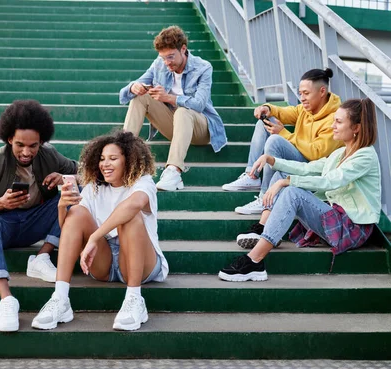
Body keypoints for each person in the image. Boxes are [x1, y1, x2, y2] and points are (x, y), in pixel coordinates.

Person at [219, 98, 381, 282]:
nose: (333, 126)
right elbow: (307, 168)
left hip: (351, 227)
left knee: (291, 191)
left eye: (338, 121)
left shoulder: (366, 156)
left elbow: (330, 181)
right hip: (335, 217)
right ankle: (262, 237)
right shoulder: (340, 153)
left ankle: (254, 261)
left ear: (356, 128)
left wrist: (286, 182)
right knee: (283, 177)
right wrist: (273, 160)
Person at [32, 130, 169, 331]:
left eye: (113, 158)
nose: (105, 164)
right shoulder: (94, 186)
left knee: (129, 217)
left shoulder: (143, 181)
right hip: (103, 262)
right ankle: (60, 299)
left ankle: (134, 300)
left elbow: (133, 205)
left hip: (141, 262)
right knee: (76, 212)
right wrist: (62, 208)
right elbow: (70, 230)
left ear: (129, 160)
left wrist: (95, 237)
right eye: (102, 159)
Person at [0, 100, 77, 332]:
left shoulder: (49, 155)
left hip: (35, 222)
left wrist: (63, 177)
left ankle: (42, 258)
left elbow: (81, 170)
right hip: (4, 227)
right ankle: (6, 299)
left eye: (33, 146)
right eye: (20, 145)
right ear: (8, 139)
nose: (26, 152)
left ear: (41, 142)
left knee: (73, 192)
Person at [119, 25, 227, 192]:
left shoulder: (203, 67)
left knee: (183, 110)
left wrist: (169, 98)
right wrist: (134, 87)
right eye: (163, 58)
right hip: (174, 126)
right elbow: (128, 90)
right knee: (141, 97)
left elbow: (199, 104)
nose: (167, 63)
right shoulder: (159, 64)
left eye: (170, 57)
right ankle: (122, 156)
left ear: (183, 49)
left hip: (201, 128)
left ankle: (174, 171)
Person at [222, 68, 343, 216]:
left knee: (275, 141)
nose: (302, 98)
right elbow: (286, 112)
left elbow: (317, 153)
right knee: (265, 121)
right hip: (301, 155)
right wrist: (267, 108)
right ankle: (252, 175)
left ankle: (265, 197)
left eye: (306, 93)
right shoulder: (306, 109)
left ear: (322, 91)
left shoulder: (334, 119)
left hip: (313, 167)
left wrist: (285, 134)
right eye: (300, 93)